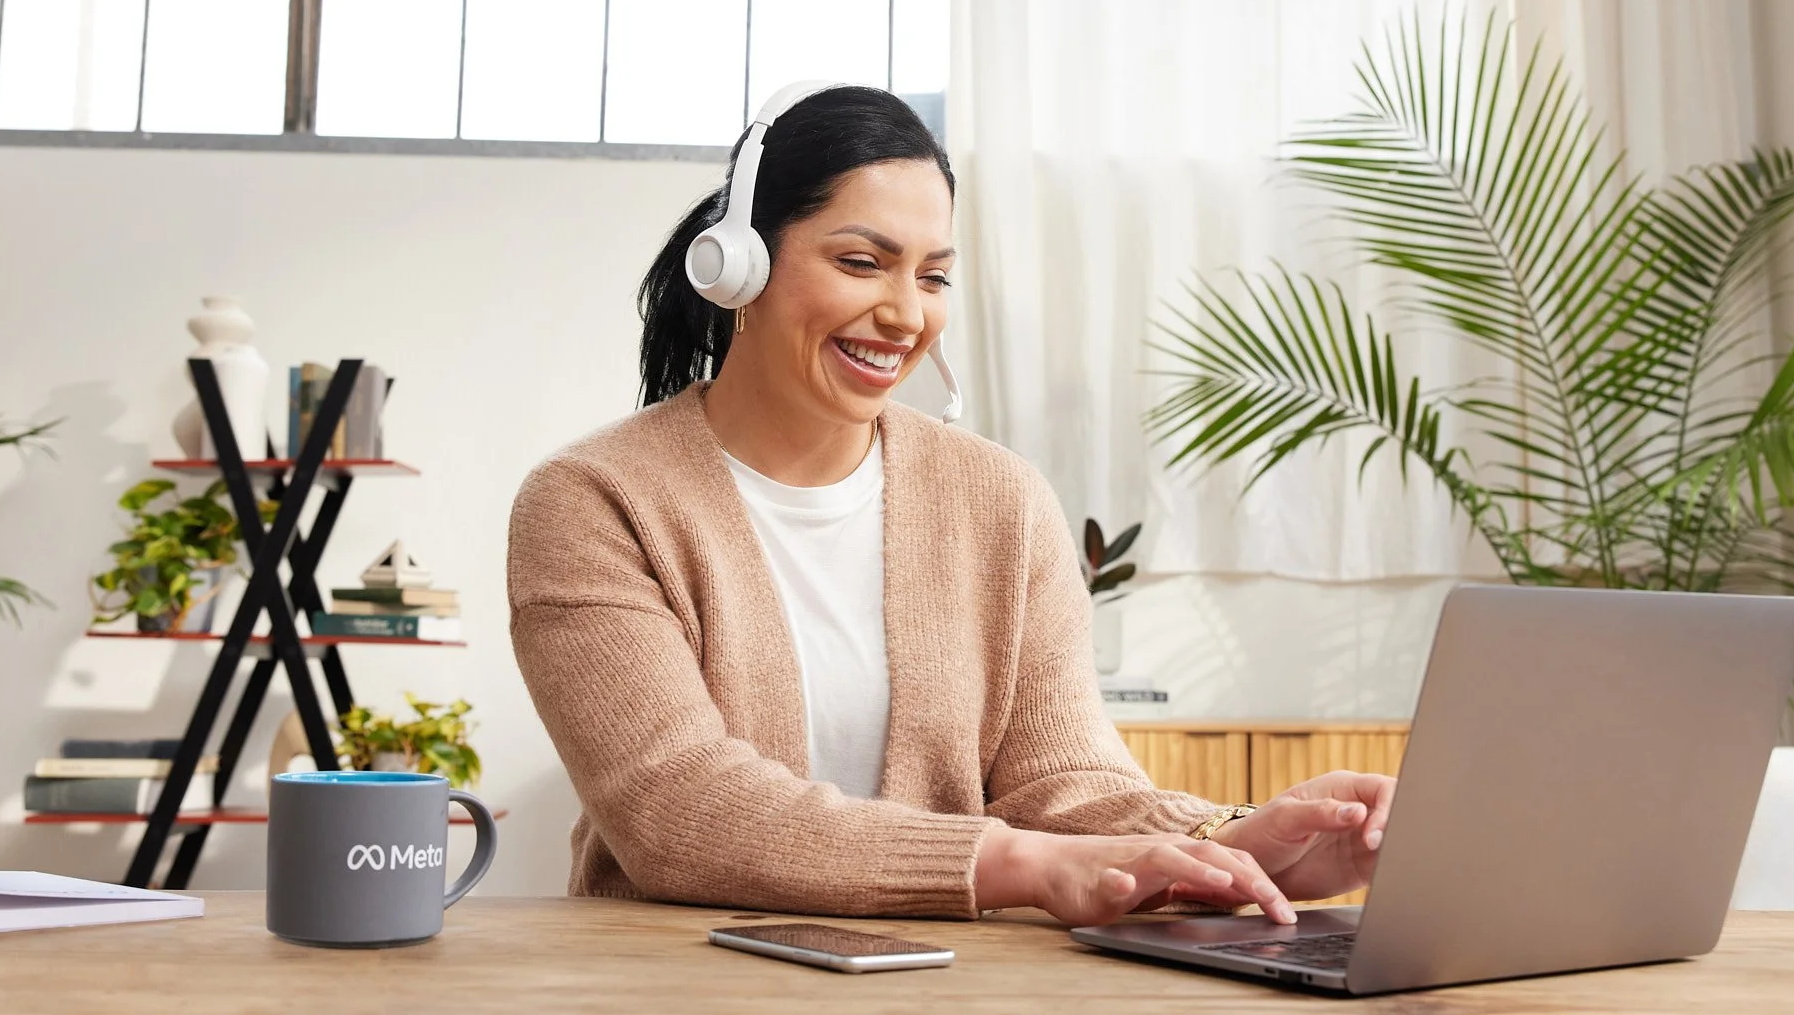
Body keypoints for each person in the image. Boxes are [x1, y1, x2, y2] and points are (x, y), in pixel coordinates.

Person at [508, 82, 1394, 924]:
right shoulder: (594, 502)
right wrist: (1019, 866)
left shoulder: (1000, 500)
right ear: (740, 267)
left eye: (932, 277)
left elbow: (1064, 780)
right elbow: (679, 808)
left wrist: (1233, 844)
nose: (904, 314)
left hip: (941, 982)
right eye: (863, 263)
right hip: (676, 985)